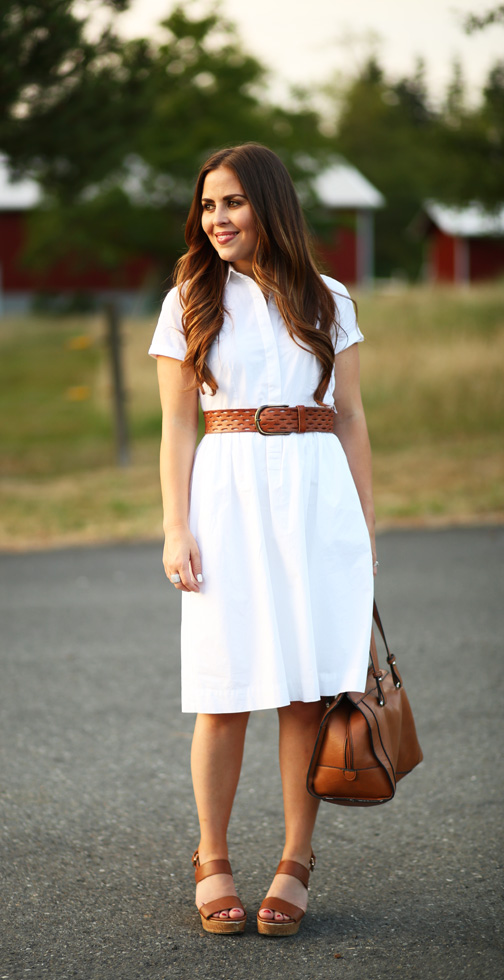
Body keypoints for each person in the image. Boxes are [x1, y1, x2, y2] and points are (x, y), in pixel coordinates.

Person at [148, 143, 377, 937]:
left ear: (270, 207)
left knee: (304, 694)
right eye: (208, 205)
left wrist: (364, 536)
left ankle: (295, 860)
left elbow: (351, 420)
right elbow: (177, 427)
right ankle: (211, 856)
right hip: (227, 499)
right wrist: (177, 525)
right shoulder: (189, 299)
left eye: (233, 203)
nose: (217, 219)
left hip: (316, 503)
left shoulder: (329, 298)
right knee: (223, 691)